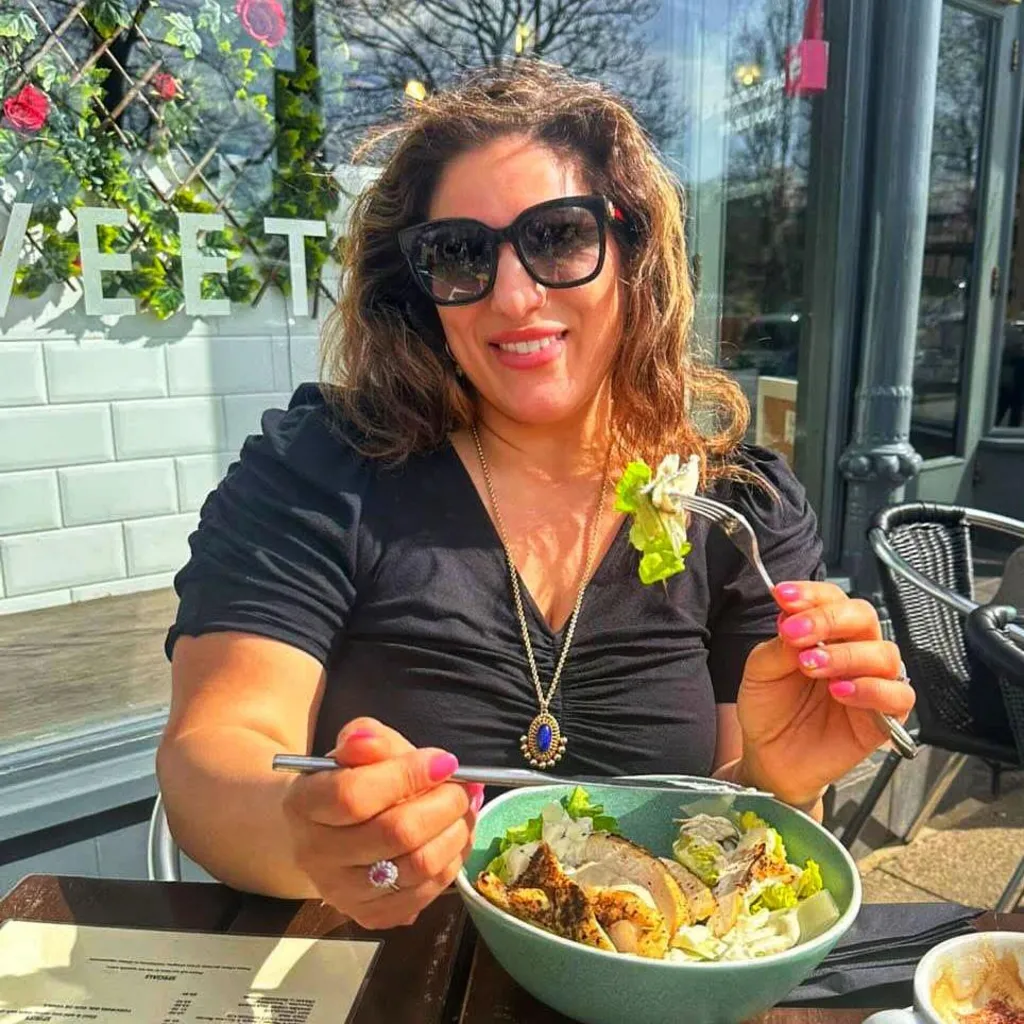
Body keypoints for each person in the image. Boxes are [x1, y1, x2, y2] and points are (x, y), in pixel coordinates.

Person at [157, 61, 914, 930]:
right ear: (421, 292)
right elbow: (213, 755)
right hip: (378, 971)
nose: (515, 297)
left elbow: (743, 860)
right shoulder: (322, 469)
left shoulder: (737, 510)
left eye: (558, 237)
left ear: (632, 256)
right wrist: (310, 835)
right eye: (459, 254)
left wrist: (781, 787)